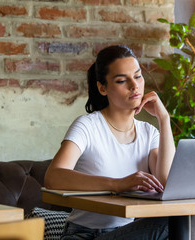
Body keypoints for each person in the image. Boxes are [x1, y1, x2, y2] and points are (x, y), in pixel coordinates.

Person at [44, 45, 175, 240]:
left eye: (138, 76)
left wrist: (164, 119)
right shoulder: (88, 126)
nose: (134, 86)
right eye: (122, 80)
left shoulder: (150, 133)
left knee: (178, 220)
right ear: (102, 88)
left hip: (127, 233)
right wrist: (118, 184)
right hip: (84, 235)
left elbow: (166, 183)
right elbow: (53, 177)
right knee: (171, 224)